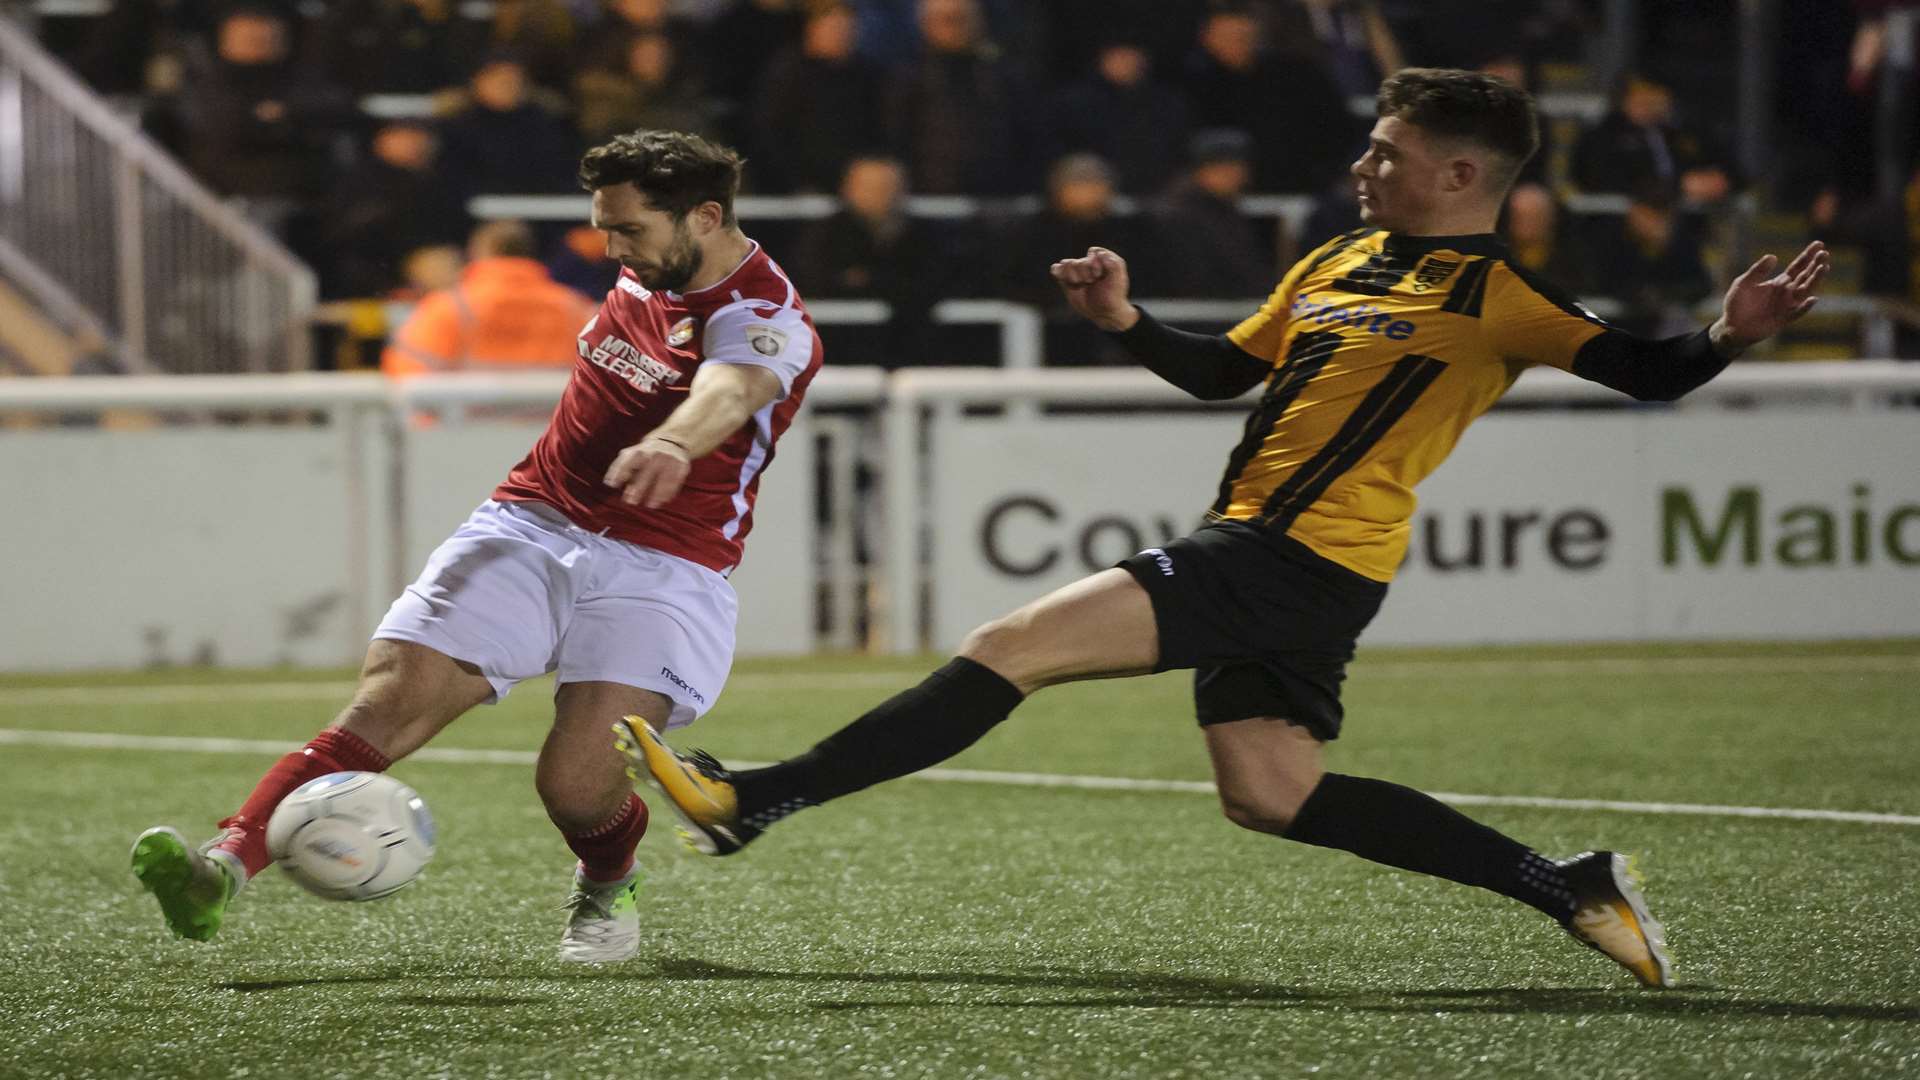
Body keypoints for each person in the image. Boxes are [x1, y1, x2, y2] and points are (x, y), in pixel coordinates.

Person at [622, 69, 1830, 989]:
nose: (1365, 164)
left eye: (1389, 150)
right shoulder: (1341, 257)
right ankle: (1564, 883)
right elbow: (1217, 375)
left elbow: (1645, 371)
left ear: (1463, 176)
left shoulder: (1497, 296)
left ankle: (759, 799)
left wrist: (1728, 336)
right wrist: (1124, 317)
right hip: (1283, 558)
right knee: (1270, 792)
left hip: (1294, 556)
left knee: (1012, 644)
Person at [131, 131, 825, 964]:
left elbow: (734, 384)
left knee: (574, 786)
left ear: (707, 218)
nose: (612, 250)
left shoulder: (766, 317)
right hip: (534, 518)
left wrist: (676, 443)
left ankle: (608, 881)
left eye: (628, 231)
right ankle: (223, 870)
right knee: (388, 699)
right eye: (605, 228)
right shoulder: (652, 262)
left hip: (667, 564)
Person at [379, 219, 596, 378]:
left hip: (466, 431)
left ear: (477, 252)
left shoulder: (449, 308)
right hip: (551, 432)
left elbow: (406, 372)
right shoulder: (575, 309)